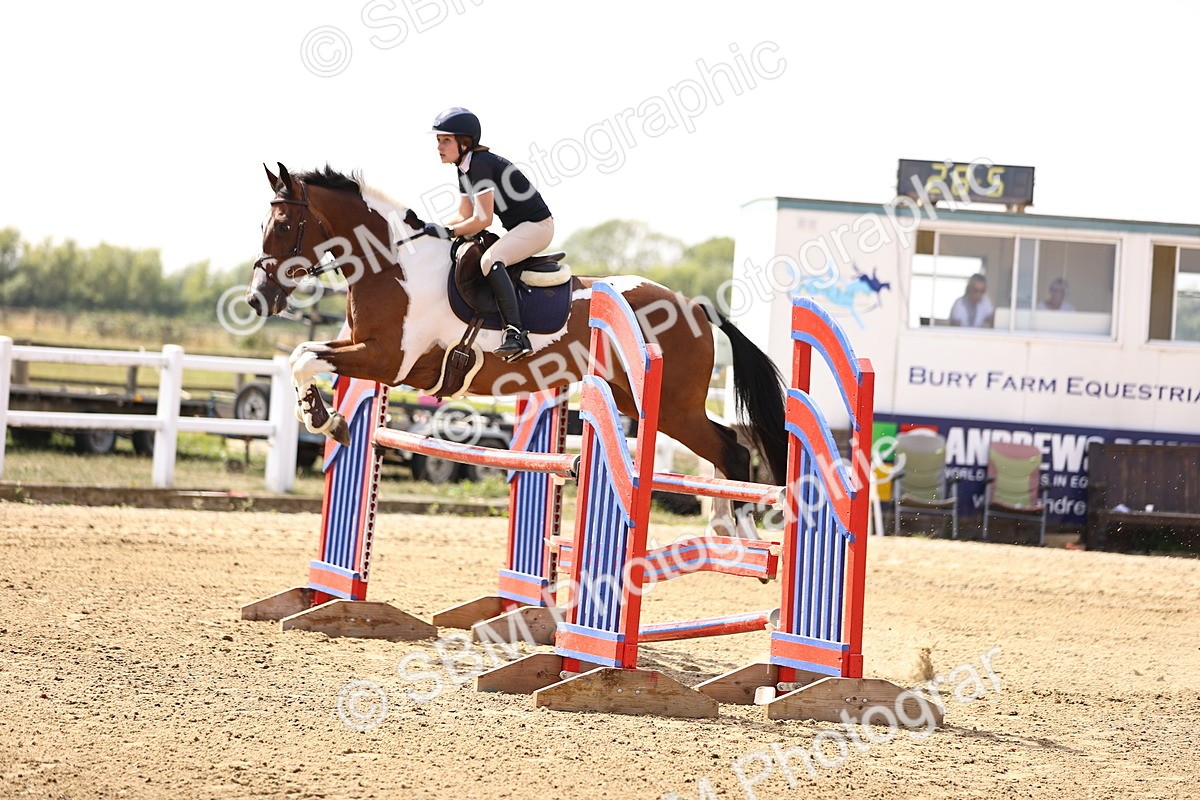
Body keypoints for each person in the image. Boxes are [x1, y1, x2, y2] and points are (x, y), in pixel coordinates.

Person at [424, 107, 553, 359]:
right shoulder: (464, 167)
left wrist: (448, 231)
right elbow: (464, 215)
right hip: (521, 227)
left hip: (538, 227)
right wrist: (430, 230)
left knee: (490, 260)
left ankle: (516, 333)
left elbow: (483, 219)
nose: (439, 146)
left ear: (465, 143)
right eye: (438, 140)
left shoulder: (481, 164)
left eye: (446, 140)